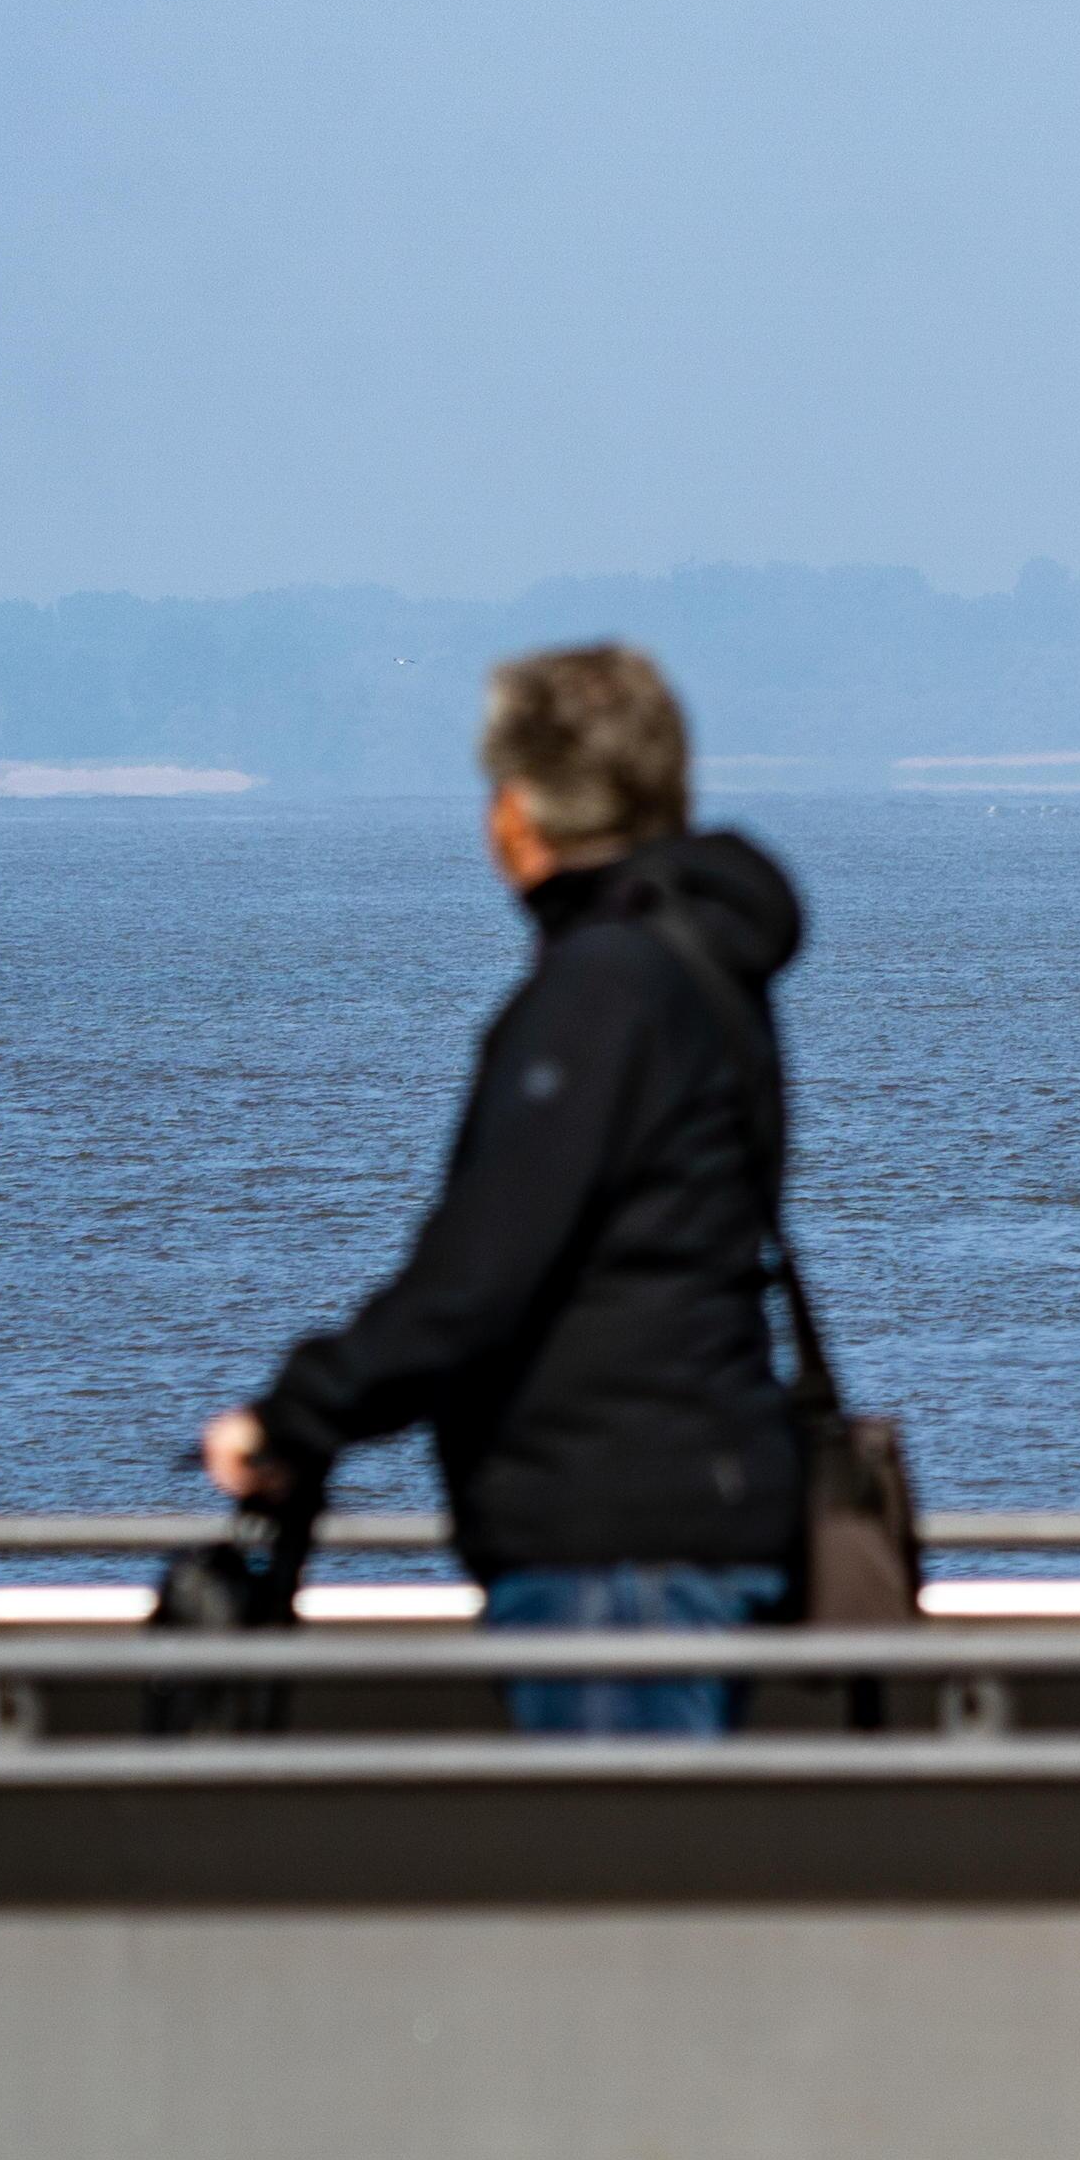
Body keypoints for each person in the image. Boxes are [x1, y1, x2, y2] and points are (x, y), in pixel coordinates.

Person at [199, 643, 807, 1736]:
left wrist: (298, 1414)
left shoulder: (598, 990)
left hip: (616, 1541)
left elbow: (481, 1274)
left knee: (616, 1883)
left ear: (521, 814)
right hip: (702, 1504)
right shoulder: (703, 968)